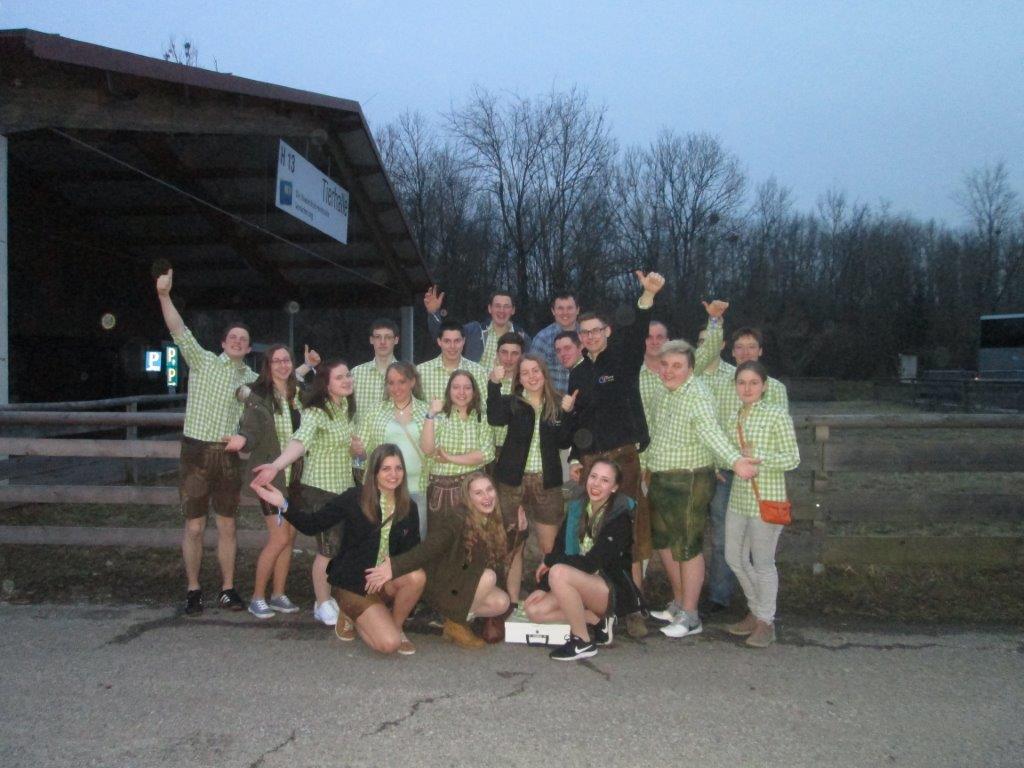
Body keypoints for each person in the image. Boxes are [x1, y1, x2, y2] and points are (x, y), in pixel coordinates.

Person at [563, 270, 665, 637]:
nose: (590, 336)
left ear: (607, 331)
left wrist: (646, 297)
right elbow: (579, 421)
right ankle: (601, 602)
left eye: (596, 331)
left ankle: (634, 608)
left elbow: (637, 331)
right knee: (592, 533)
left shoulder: (622, 358)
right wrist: (576, 458)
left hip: (622, 460)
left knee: (629, 534)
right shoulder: (578, 373)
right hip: (591, 463)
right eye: (584, 332)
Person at [253, 445, 426, 655]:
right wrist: (283, 503)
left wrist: (391, 568)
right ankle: (350, 612)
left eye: (398, 468)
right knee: (388, 645)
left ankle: (397, 628)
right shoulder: (354, 498)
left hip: (384, 580)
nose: (393, 475)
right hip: (354, 583)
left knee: (417, 577)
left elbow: (412, 552)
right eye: (386, 469)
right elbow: (312, 524)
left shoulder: (408, 507)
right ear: (374, 472)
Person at [155, 268, 257, 616]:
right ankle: (193, 589)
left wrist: (305, 369)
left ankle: (228, 589)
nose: (238, 341)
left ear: (248, 347)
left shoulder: (251, 378)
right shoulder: (203, 362)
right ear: (223, 343)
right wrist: (164, 295)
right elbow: (179, 330)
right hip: (196, 452)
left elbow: (280, 391)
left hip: (227, 455)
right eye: (233, 337)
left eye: (244, 339)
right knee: (195, 526)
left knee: (227, 524)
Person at [641, 340, 760, 639]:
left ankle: (692, 616)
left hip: (689, 480)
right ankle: (680, 603)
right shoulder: (662, 391)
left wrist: (735, 460)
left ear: (691, 369)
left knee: (688, 547)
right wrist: (644, 464)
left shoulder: (698, 395)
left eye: (677, 366)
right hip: (660, 477)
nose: (669, 371)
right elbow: (653, 432)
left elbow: (711, 432)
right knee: (664, 543)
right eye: (665, 365)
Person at [695, 301, 790, 615]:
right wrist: (718, 461)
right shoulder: (724, 383)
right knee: (726, 541)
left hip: (762, 477)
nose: (746, 352)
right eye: (740, 347)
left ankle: (760, 611)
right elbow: (716, 426)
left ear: (761, 351)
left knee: (759, 551)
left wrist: (757, 458)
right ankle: (721, 597)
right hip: (727, 473)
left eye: (752, 347)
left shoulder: (774, 389)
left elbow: (782, 439)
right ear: (731, 351)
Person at [251, 360, 362, 628]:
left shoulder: (345, 408)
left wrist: (356, 451)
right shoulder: (316, 412)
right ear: (326, 384)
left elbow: (345, 447)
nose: (347, 380)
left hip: (344, 487)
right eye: (339, 377)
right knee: (327, 549)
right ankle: (322, 603)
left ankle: (327, 598)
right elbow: (300, 442)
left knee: (338, 546)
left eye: (348, 375)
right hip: (320, 488)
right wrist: (276, 465)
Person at [366, 472, 518, 649]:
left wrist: (519, 531)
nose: (486, 497)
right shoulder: (457, 519)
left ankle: (451, 619)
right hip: (442, 584)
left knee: (501, 602)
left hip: (461, 584)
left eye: (489, 490)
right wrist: (394, 567)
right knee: (489, 577)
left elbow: (502, 557)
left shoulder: (494, 519)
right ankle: (456, 623)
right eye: (478, 493)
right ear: (468, 498)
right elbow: (427, 548)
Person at [524, 459, 641, 661]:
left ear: (614, 488)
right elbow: (560, 547)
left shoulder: (620, 517)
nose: (596, 484)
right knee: (534, 610)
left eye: (605, 480)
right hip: (580, 580)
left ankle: (582, 641)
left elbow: (590, 564)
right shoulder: (578, 507)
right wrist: (543, 587)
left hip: (609, 588)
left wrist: (551, 564)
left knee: (559, 572)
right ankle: (596, 620)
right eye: (593, 477)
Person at [723, 361, 800, 648]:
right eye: (742, 382)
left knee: (764, 563)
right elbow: (728, 453)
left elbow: (792, 458)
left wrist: (759, 458)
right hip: (739, 498)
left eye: (753, 383)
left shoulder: (777, 415)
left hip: (767, 498)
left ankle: (766, 621)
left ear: (764, 386)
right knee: (734, 557)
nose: (747, 388)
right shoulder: (734, 417)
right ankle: (756, 611)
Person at [223, 344, 303, 619]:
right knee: (279, 537)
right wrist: (242, 439)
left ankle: (278, 594)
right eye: (276, 361)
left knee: (290, 537)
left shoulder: (298, 394)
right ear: (268, 366)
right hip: (270, 477)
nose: (282, 365)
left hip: (296, 476)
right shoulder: (259, 396)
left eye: (286, 360)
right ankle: (257, 597)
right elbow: (251, 427)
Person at [487, 353, 570, 604]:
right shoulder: (513, 402)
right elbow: (494, 417)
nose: (532, 377)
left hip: (547, 482)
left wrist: (568, 414)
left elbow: (564, 441)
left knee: (550, 546)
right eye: (525, 373)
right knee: (514, 544)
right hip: (512, 482)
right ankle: (512, 600)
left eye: (536, 371)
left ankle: (548, 597)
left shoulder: (557, 403)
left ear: (544, 374)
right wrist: (493, 384)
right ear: (519, 379)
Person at [361, 361, 430, 538]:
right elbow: (362, 452)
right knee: (381, 538)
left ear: (412, 382)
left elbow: (433, 450)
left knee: (416, 540)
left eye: (401, 382)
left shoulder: (427, 411)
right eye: (391, 383)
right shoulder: (374, 412)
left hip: (417, 488)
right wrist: (357, 450)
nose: (396, 388)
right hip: (382, 489)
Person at [421, 371, 494, 524]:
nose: (462, 392)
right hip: (442, 491)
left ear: (474, 391)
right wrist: (431, 413)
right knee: (442, 537)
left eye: (467, 387)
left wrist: (448, 457)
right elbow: (428, 450)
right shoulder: (439, 417)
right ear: (449, 391)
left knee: (475, 537)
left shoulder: (482, 417)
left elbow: (486, 454)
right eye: (456, 387)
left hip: (475, 490)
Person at [423, 286, 532, 369]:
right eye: (497, 306)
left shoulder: (523, 339)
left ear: (513, 310)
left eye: (506, 306)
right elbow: (443, 336)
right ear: (490, 309)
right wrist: (433, 313)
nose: (501, 311)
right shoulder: (473, 331)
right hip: (473, 390)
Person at [417, 318, 490, 406]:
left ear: (463, 341)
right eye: (447, 341)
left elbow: (483, 408)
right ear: (439, 342)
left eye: (457, 341)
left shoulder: (478, 372)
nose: (452, 346)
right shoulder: (421, 372)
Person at [351, 319, 400, 434]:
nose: (382, 342)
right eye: (378, 337)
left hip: (394, 440)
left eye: (388, 337)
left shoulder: (406, 375)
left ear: (396, 340)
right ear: (371, 340)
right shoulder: (356, 373)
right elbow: (345, 409)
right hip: (360, 441)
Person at [529, 292, 580, 394]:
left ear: (577, 310)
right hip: (554, 399)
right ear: (553, 311)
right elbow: (532, 374)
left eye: (569, 308)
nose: (565, 313)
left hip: (584, 398)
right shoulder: (542, 339)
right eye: (560, 308)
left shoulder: (587, 336)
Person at [489, 332, 526, 461]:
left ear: (522, 356)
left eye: (515, 353)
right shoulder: (483, 380)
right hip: (489, 449)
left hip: (517, 450)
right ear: (497, 353)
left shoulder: (527, 384)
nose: (509, 359)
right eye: (504, 352)